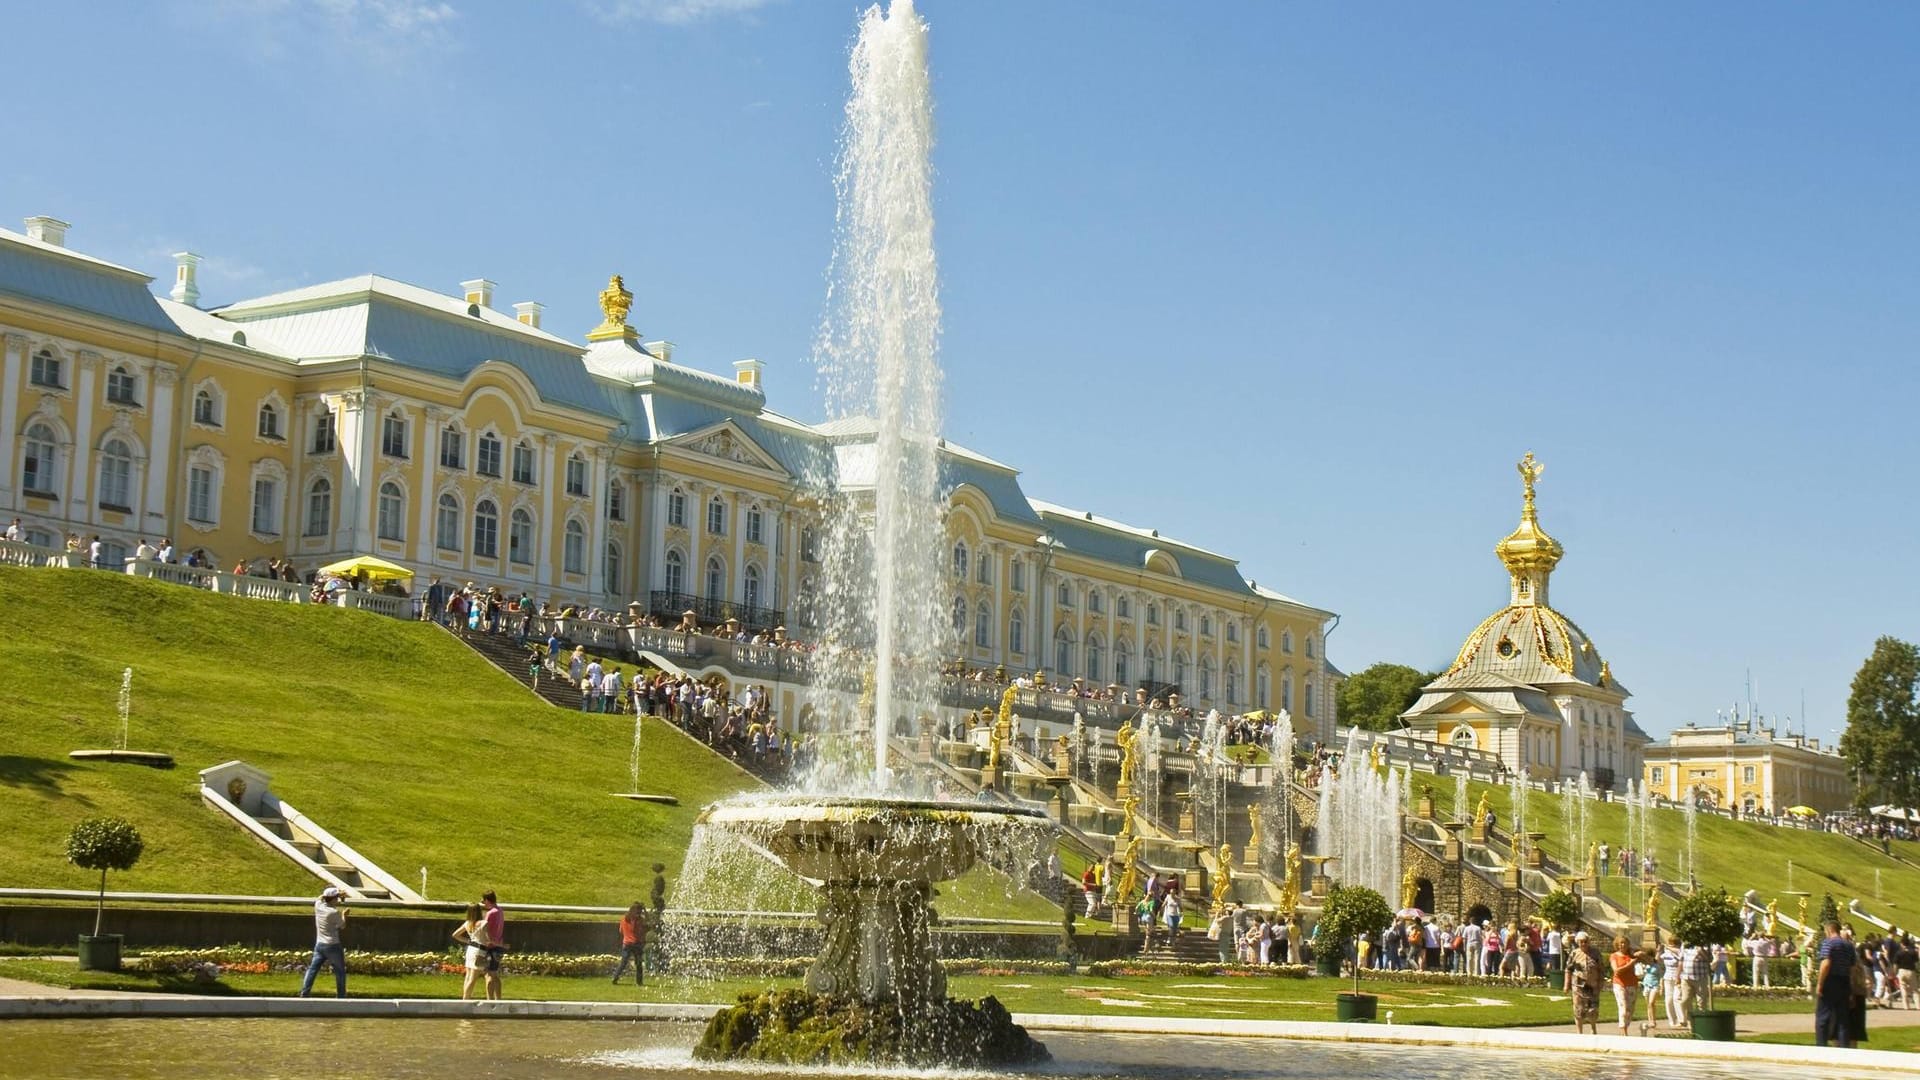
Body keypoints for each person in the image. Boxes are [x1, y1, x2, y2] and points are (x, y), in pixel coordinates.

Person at [297, 887, 349, 998]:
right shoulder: (334, 912)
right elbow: (342, 926)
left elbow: (320, 897)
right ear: (333, 899)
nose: (338, 900)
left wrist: (337, 894)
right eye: (337, 898)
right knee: (340, 971)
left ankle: (304, 993)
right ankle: (341, 996)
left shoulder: (318, 905)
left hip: (319, 944)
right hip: (333, 945)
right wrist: (345, 915)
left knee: (312, 969)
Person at [1815, 920, 1858, 1048]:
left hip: (1830, 981)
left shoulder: (1828, 943)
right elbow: (1852, 967)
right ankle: (1844, 1047)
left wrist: (1820, 983)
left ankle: (1821, 1046)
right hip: (1844, 981)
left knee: (1823, 1016)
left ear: (1829, 930)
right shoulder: (1848, 945)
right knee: (1842, 1019)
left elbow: (1826, 964)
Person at [451, 902, 493, 1000]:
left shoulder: (467, 923)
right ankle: (466, 999)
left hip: (470, 949)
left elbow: (455, 934)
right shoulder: (483, 923)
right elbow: (488, 939)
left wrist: (467, 940)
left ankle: (465, 998)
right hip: (479, 950)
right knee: (473, 978)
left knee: (468, 976)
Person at [1567, 931, 1603, 1035]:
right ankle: (1579, 1031)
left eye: (1585, 941)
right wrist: (1566, 984)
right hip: (1578, 986)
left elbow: (1601, 969)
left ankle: (1593, 1027)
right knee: (1578, 1009)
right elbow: (1568, 969)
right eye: (1581, 942)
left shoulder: (1595, 953)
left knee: (1593, 1009)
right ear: (1578, 942)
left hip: (1593, 985)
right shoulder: (1574, 953)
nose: (1584, 944)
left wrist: (1601, 982)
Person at [613, 902, 650, 986]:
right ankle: (639, 982)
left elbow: (621, 931)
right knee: (639, 964)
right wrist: (645, 910)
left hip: (626, 943)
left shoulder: (624, 919)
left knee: (623, 962)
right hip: (637, 943)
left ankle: (615, 977)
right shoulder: (638, 920)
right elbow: (648, 921)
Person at [480, 890, 507, 1000]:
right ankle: (498, 999)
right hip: (499, 946)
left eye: (483, 900)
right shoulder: (500, 910)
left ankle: (489, 1000)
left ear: (487, 900)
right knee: (495, 974)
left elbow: (483, 927)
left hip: (490, 947)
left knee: (489, 975)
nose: (482, 902)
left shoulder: (490, 913)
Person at [1609, 936, 1638, 1035]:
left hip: (1632, 984)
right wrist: (1630, 964)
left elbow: (1650, 960)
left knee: (1630, 1010)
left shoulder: (1632, 956)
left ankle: (1625, 1027)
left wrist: (1641, 954)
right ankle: (1624, 1032)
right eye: (1621, 943)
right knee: (1623, 1008)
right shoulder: (1614, 956)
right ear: (1617, 944)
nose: (1623, 945)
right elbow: (1617, 971)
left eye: (1625, 943)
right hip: (1619, 984)